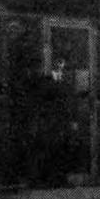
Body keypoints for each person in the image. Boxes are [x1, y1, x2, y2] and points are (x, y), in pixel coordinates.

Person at [33, 55, 75, 188]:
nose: (60, 65)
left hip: (63, 121)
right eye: (58, 62)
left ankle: (62, 178)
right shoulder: (44, 80)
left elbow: (71, 101)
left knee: (63, 148)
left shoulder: (67, 80)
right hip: (49, 121)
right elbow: (40, 101)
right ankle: (48, 179)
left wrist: (73, 119)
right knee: (49, 148)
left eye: (62, 62)